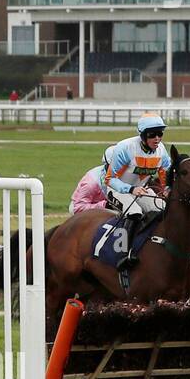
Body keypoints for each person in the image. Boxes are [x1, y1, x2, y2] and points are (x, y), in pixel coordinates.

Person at [103, 114, 173, 270]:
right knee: (134, 213)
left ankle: (152, 248)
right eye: (152, 135)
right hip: (117, 189)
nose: (157, 139)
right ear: (142, 135)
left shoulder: (161, 150)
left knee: (163, 210)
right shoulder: (125, 148)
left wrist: (167, 189)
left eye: (160, 134)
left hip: (140, 190)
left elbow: (166, 176)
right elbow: (109, 179)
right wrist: (131, 189)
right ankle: (123, 254)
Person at [69, 145, 117, 214]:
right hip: (80, 209)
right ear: (107, 164)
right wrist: (105, 205)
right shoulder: (91, 183)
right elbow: (78, 207)